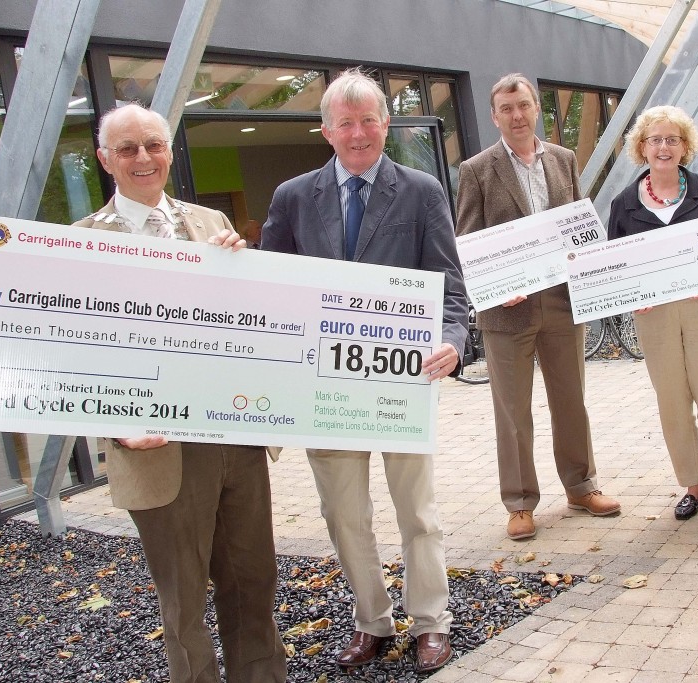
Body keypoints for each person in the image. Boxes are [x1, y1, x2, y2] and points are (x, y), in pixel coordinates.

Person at [260, 69, 468, 673]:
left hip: (403, 387)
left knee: (418, 514)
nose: (358, 134)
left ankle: (432, 623)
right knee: (344, 518)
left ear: (386, 124)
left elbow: (450, 290)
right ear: (325, 130)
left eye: (369, 120)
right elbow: (271, 292)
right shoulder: (293, 198)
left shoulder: (423, 191)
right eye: (345, 123)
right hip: (327, 391)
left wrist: (452, 340)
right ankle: (372, 622)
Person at [74, 103, 287, 683]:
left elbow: (249, 322)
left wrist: (246, 275)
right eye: (127, 149)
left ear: (170, 150)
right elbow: (74, 358)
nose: (143, 158)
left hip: (235, 436)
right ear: (105, 160)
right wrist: (116, 426)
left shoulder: (209, 223)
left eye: (153, 144)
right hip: (157, 448)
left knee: (252, 580)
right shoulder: (79, 245)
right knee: (184, 601)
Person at [455, 73, 620, 541]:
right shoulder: (477, 169)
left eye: (524, 105)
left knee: (571, 400)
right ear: (495, 116)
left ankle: (582, 486)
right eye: (507, 109)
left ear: (535, 108)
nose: (517, 115)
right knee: (513, 410)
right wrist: (494, 283)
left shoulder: (564, 160)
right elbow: (467, 239)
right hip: (507, 309)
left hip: (563, 300)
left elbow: (578, 223)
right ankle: (521, 502)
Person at [606, 105, 698, 523]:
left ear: (685, 147)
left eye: (672, 139)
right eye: (655, 140)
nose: (663, 147)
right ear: (641, 148)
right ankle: (691, 486)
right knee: (672, 403)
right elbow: (615, 264)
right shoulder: (624, 204)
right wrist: (630, 296)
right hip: (655, 316)